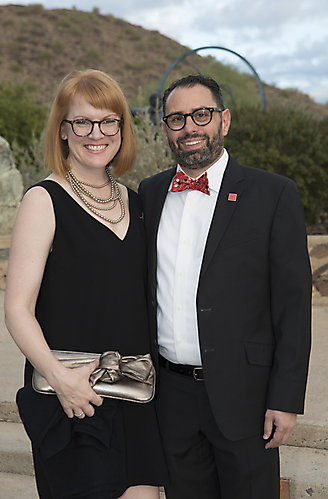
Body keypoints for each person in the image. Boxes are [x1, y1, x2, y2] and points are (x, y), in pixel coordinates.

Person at [139, 74, 312, 499]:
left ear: (225, 120)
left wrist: (285, 398)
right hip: (171, 397)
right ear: (164, 128)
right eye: (176, 119)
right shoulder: (149, 193)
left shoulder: (274, 194)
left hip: (246, 398)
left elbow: (293, 305)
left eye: (202, 114)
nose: (189, 127)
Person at [4, 69, 167, 499]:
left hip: (136, 394)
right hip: (76, 398)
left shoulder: (136, 201)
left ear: (122, 129)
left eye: (109, 121)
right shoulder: (43, 200)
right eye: (82, 122)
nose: (96, 133)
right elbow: (17, 308)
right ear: (63, 129)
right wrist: (60, 379)